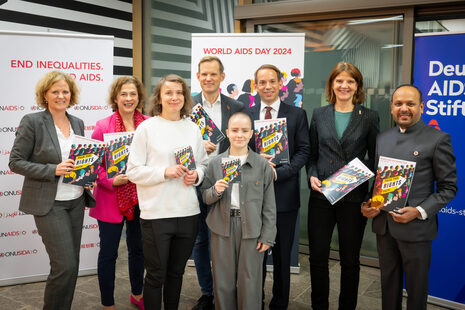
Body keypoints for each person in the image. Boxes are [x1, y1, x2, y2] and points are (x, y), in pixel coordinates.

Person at [361, 84, 457, 310]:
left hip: (416, 229)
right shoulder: (382, 137)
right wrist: (369, 203)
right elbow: (378, 181)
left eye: (410, 104)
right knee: (388, 284)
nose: (404, 108)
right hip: (384, 227)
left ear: (421, 107)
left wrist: (419, 211)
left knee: (416, 289)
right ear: (391, 108)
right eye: (398, 104)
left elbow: (449, 188)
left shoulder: (437, 139)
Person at [9, 71, 96, 310]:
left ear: (71, 94)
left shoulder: (77, 122)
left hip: (76, 201)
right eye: (55, 91)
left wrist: (87, 176)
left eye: (65, 91)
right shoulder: (33, 121)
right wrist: (53, 169)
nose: (61, 96)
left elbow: (80, 160)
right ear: (45, 94)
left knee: (71, 266)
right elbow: (15, 162)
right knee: (65, 265)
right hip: (50, 204)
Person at [126, 74, 208, 310]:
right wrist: (165, 172)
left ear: (185, 98)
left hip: (188, 213)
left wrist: (197, 176)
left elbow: (202, 164)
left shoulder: (192, 128)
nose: (175, 97)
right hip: (156, 215)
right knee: (155, 276)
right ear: (159, 98)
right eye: (169, 92)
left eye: (179, 92)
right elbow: (133, 171)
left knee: (176, 274)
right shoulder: (146, 128)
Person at [307, 61, 379, 310]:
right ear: (332, 84)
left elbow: (375, 157)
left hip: (353, 198)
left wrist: (356, 174)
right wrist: (312, 174)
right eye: (339, 81)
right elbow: (312, 153)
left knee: (350, 260)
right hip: (321, 196)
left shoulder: (369, 117)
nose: (344, 85)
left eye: (350, 81)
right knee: (317, 258)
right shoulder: (319, 114)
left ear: (357, 86)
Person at [247, 64, 310, 310]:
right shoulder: (246, 113)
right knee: (255, 256)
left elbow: (304, 151)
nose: (267, 86)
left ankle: (280, 304)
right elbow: (239, 149)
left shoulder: (296, 114)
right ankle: (255, 302)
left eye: (272, 81)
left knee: (283, 256)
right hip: (253, 196)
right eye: (262, 82)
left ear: (281, 83)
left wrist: (279, 173)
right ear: (256, 86)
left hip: (285, 195)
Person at [201, 112, 277, 309]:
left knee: (250, 281)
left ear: (251, 133)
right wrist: (215, 190)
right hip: (222, 228)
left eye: (244, 131)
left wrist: (267, 236)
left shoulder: (262, 165)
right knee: (223, 280)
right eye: (234, 130)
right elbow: (205, 197)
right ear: (227, 132)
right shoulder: (215, 163)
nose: (239, 135)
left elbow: (269, 205)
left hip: (252, 228)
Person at [90, 76, 149, 310]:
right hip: (110, 198)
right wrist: (110, 181)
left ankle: (137, 294)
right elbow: (93, 164)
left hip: (141, 198)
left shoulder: (148, 123)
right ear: (115, 97)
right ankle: (108, 303)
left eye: (132, 94)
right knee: (109, 253)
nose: (128, 98)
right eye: (123, 94)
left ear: (139, 97)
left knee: (138, 250)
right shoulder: (103, 126)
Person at [191, 56, 245, 310]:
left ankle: (228, 290)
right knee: (201, 241)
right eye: (204, 74)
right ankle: (207, 293)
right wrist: (196, 146)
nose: (208, 78)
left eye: (213, 74)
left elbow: (245, 140)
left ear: (222, 77)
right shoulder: (186, 104)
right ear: (198, 76)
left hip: (228, 182)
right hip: (196, 182)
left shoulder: (236, 106)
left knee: (227, 240)